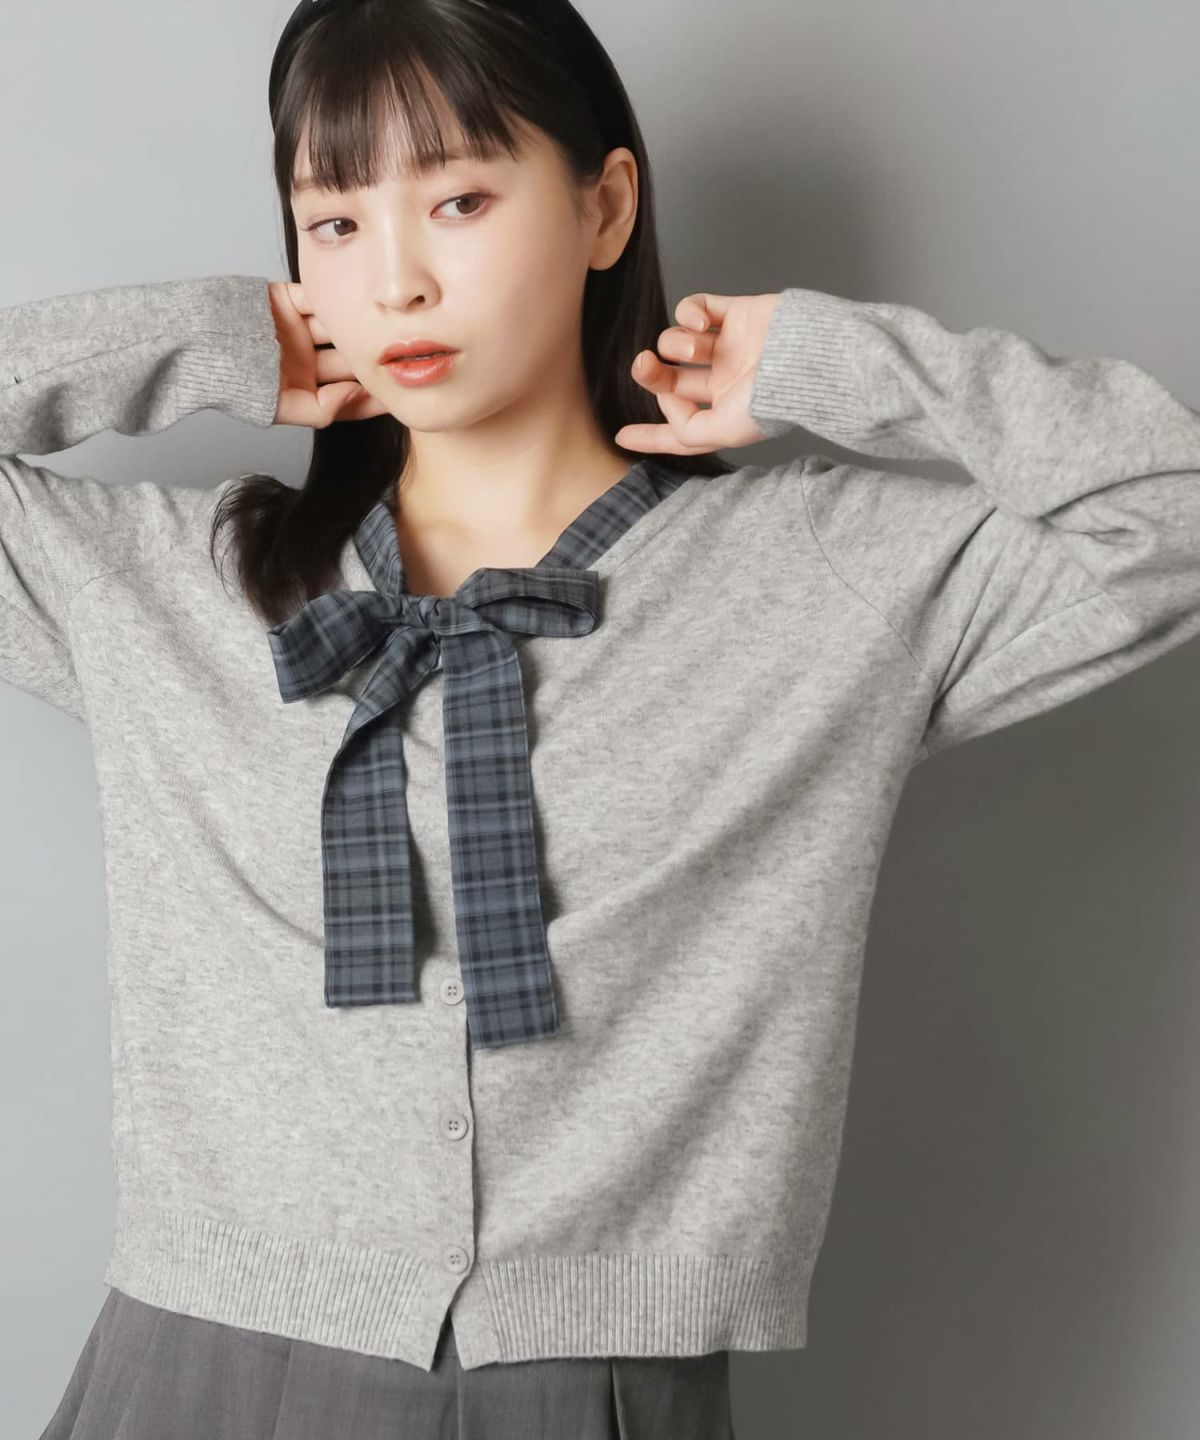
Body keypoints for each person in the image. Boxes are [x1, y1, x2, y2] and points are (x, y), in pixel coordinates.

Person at [6, 1, 1200, 1438]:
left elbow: (1172, 512)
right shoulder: (184, 584)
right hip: (193, 1373)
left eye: (458, 200)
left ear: (605, 206)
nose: (396, 282)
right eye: (334, 223)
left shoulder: (816, 580)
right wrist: (207, 341)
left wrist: (840, 367)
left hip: (593, 1392)